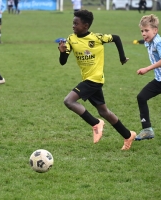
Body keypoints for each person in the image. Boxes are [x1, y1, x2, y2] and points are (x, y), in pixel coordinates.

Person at [58, 10, 136, 150]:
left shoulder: (97, 38)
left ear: (86, 26)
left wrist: (122, 58)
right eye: (73, 23)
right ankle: (128, 135)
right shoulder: (71, 39)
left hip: (94, 79)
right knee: (104, 111)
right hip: (88, 79)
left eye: (76, 23)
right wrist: (62, 52)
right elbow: (63, 62)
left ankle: (96, 124)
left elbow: (116, 38)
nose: (73, 26)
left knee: (69, 101)